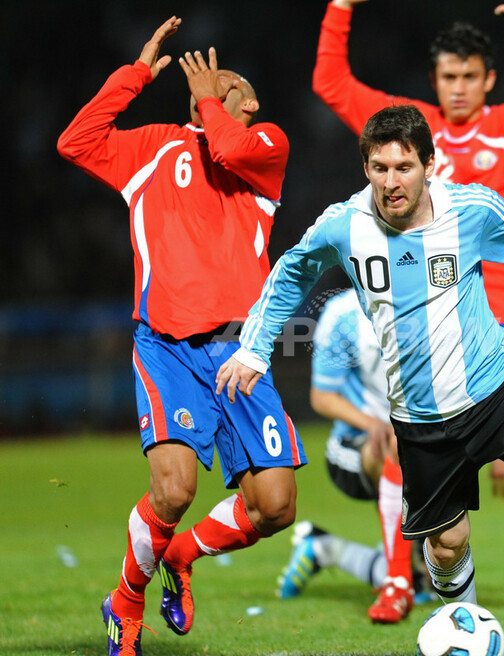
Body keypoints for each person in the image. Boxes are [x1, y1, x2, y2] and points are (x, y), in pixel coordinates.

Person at [216, 105, 504, 644]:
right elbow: (289, 274)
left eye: (404, 167)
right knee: (446, 546)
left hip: (497, 385)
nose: (391, 182)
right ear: (365, 168)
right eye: (379, 168)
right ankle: (467, 630)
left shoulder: (470, 210)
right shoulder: (343, 225)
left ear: (429, 165)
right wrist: (255, 349)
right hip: (419, 417)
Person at [312, 0, 504, 614]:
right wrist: (341, 7)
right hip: (434, 317)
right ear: (434, 81)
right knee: (409, 445)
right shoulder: (410, 135)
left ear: (489, 79)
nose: (457, 88)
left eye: (469, 76)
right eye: (447, 76)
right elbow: (330, 81)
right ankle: (397, 583)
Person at [57, 17, 306, 656]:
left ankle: (184, 555)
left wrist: (206, 102)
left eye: (228, 81)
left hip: (240, 352)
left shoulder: (267, 146)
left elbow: (228, 149)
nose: (214, 80)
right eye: (206, 81)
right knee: (173, 490)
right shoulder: (152, 149)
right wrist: (136, 74)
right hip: (166, 347)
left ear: (250, 103)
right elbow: (75, 141)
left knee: (275, 506)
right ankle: (126, 602)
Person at [276, 289, 435, 622]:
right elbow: (322, 397)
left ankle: (324, 549)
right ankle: (399, 577)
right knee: (397, 446)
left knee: (436, 580)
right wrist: (373, 423)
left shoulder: (432, 300)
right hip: (353, 446)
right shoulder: (343, 314)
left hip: (418, 442)